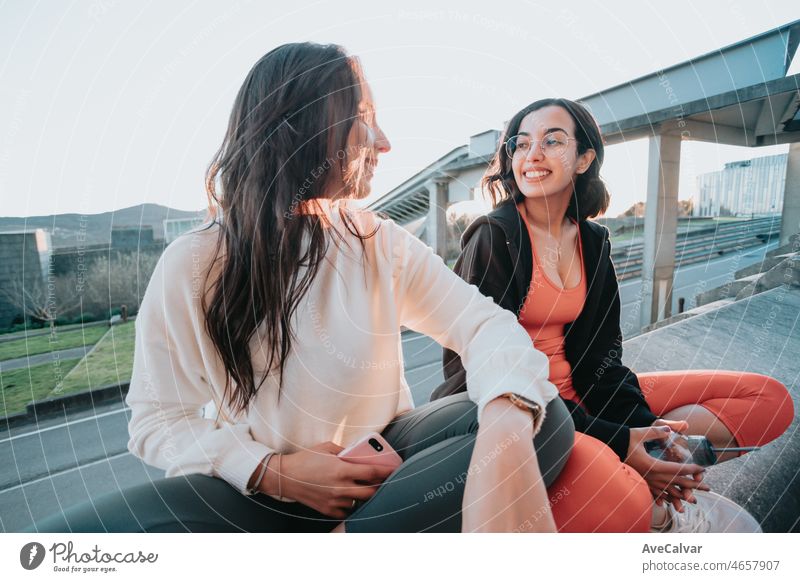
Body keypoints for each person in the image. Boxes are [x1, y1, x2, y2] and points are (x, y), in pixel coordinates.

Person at [25, 43, 575, 534]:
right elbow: (156, 421)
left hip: (381, 476)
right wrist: (273, 471)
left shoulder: (378, 240)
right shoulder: (193, 262)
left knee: (541, 416)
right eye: (364, 118)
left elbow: (483, 324)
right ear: (302, 128)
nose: (384, 143)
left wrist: (505, 422)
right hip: (256, 497)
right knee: (63, 542)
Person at [432, 98, 794, 533]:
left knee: (769, 401)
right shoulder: (495, 238)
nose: (533, 154)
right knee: (617, 498)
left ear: (584, 158)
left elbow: (604, 360)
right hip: (526, 412)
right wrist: (621, 440)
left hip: (587, 395)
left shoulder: (593, 241)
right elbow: (470, 370)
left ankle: (661, 479)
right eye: (521, 143)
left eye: (552, 140)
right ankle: (657, 510)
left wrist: (647, 437)